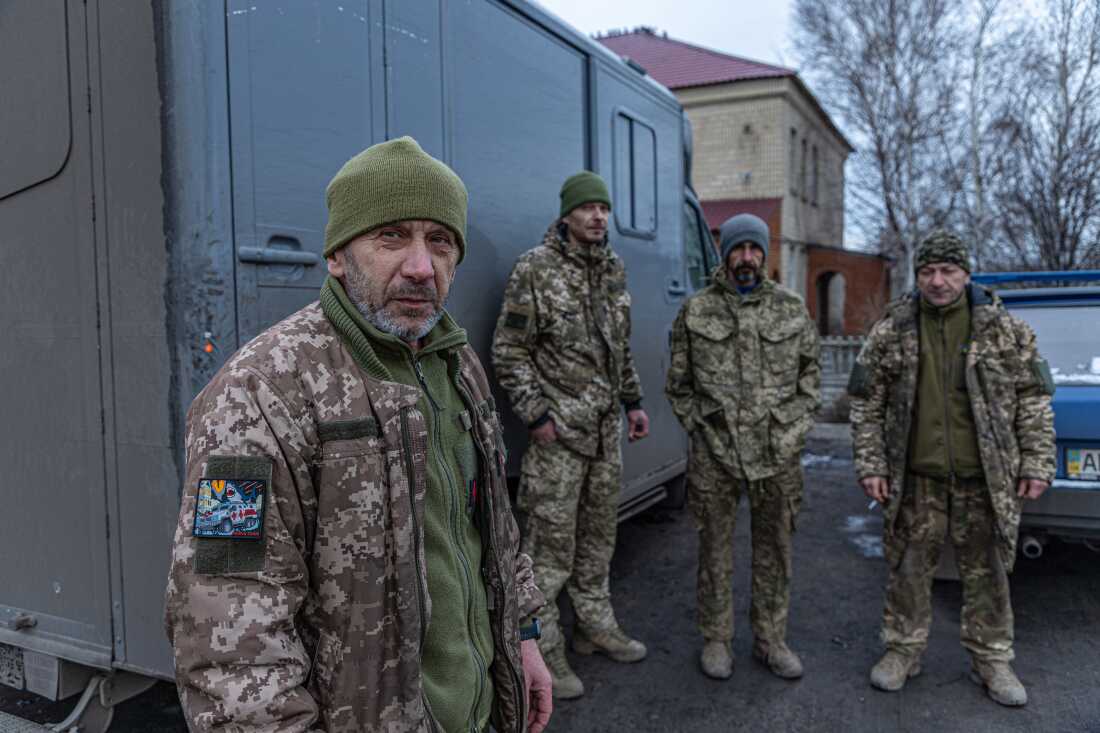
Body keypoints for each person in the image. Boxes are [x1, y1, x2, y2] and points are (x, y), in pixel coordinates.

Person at [165, 137, 552, 732]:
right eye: (391, 236)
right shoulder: (258, 393)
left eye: (440, 240)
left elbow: (492, 531)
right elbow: (229, 633)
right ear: (338, 256)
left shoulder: (458, 366)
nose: (422, 266)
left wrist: (524, 635)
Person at [848, 230, 1056, 707]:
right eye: (927, 272)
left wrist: (1038, 461)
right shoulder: (893, 329)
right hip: (916, 478)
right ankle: (903, 650)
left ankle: (993, 659)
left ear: (966, 273)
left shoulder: (1003, 329)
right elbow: (866, 404)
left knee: (988, 572)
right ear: (917, 275)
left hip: (983, 478)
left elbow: (1034, 401)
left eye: (947, 271)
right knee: (908, 567)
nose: (937, 281)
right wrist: (871, 464)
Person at [491, 171, 650, 699]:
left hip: (605, 434)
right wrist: (537, 416)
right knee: (548, 551)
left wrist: (632, 403)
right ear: (566, 214)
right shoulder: (536, 270)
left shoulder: (612, 271)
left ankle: (594, 627)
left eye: (604, 208)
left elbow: (618, 349)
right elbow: (508, 350)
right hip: (558, 440)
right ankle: (546, 646)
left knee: (598, 542)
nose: (598, 216)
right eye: (588, 208)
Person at [665, 213, 820, 681]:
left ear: (764, 254)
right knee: (713, 550)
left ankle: (771, 640)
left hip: (778, 457)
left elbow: (809, 383)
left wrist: (789, 435)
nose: (747, 259)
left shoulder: (791, 310)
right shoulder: (696, 311)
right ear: (726, 254)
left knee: (775, 550)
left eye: (755, 250)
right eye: (739, 250)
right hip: (716, 456)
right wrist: (703, 430)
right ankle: (716, 638)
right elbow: (679, 385)